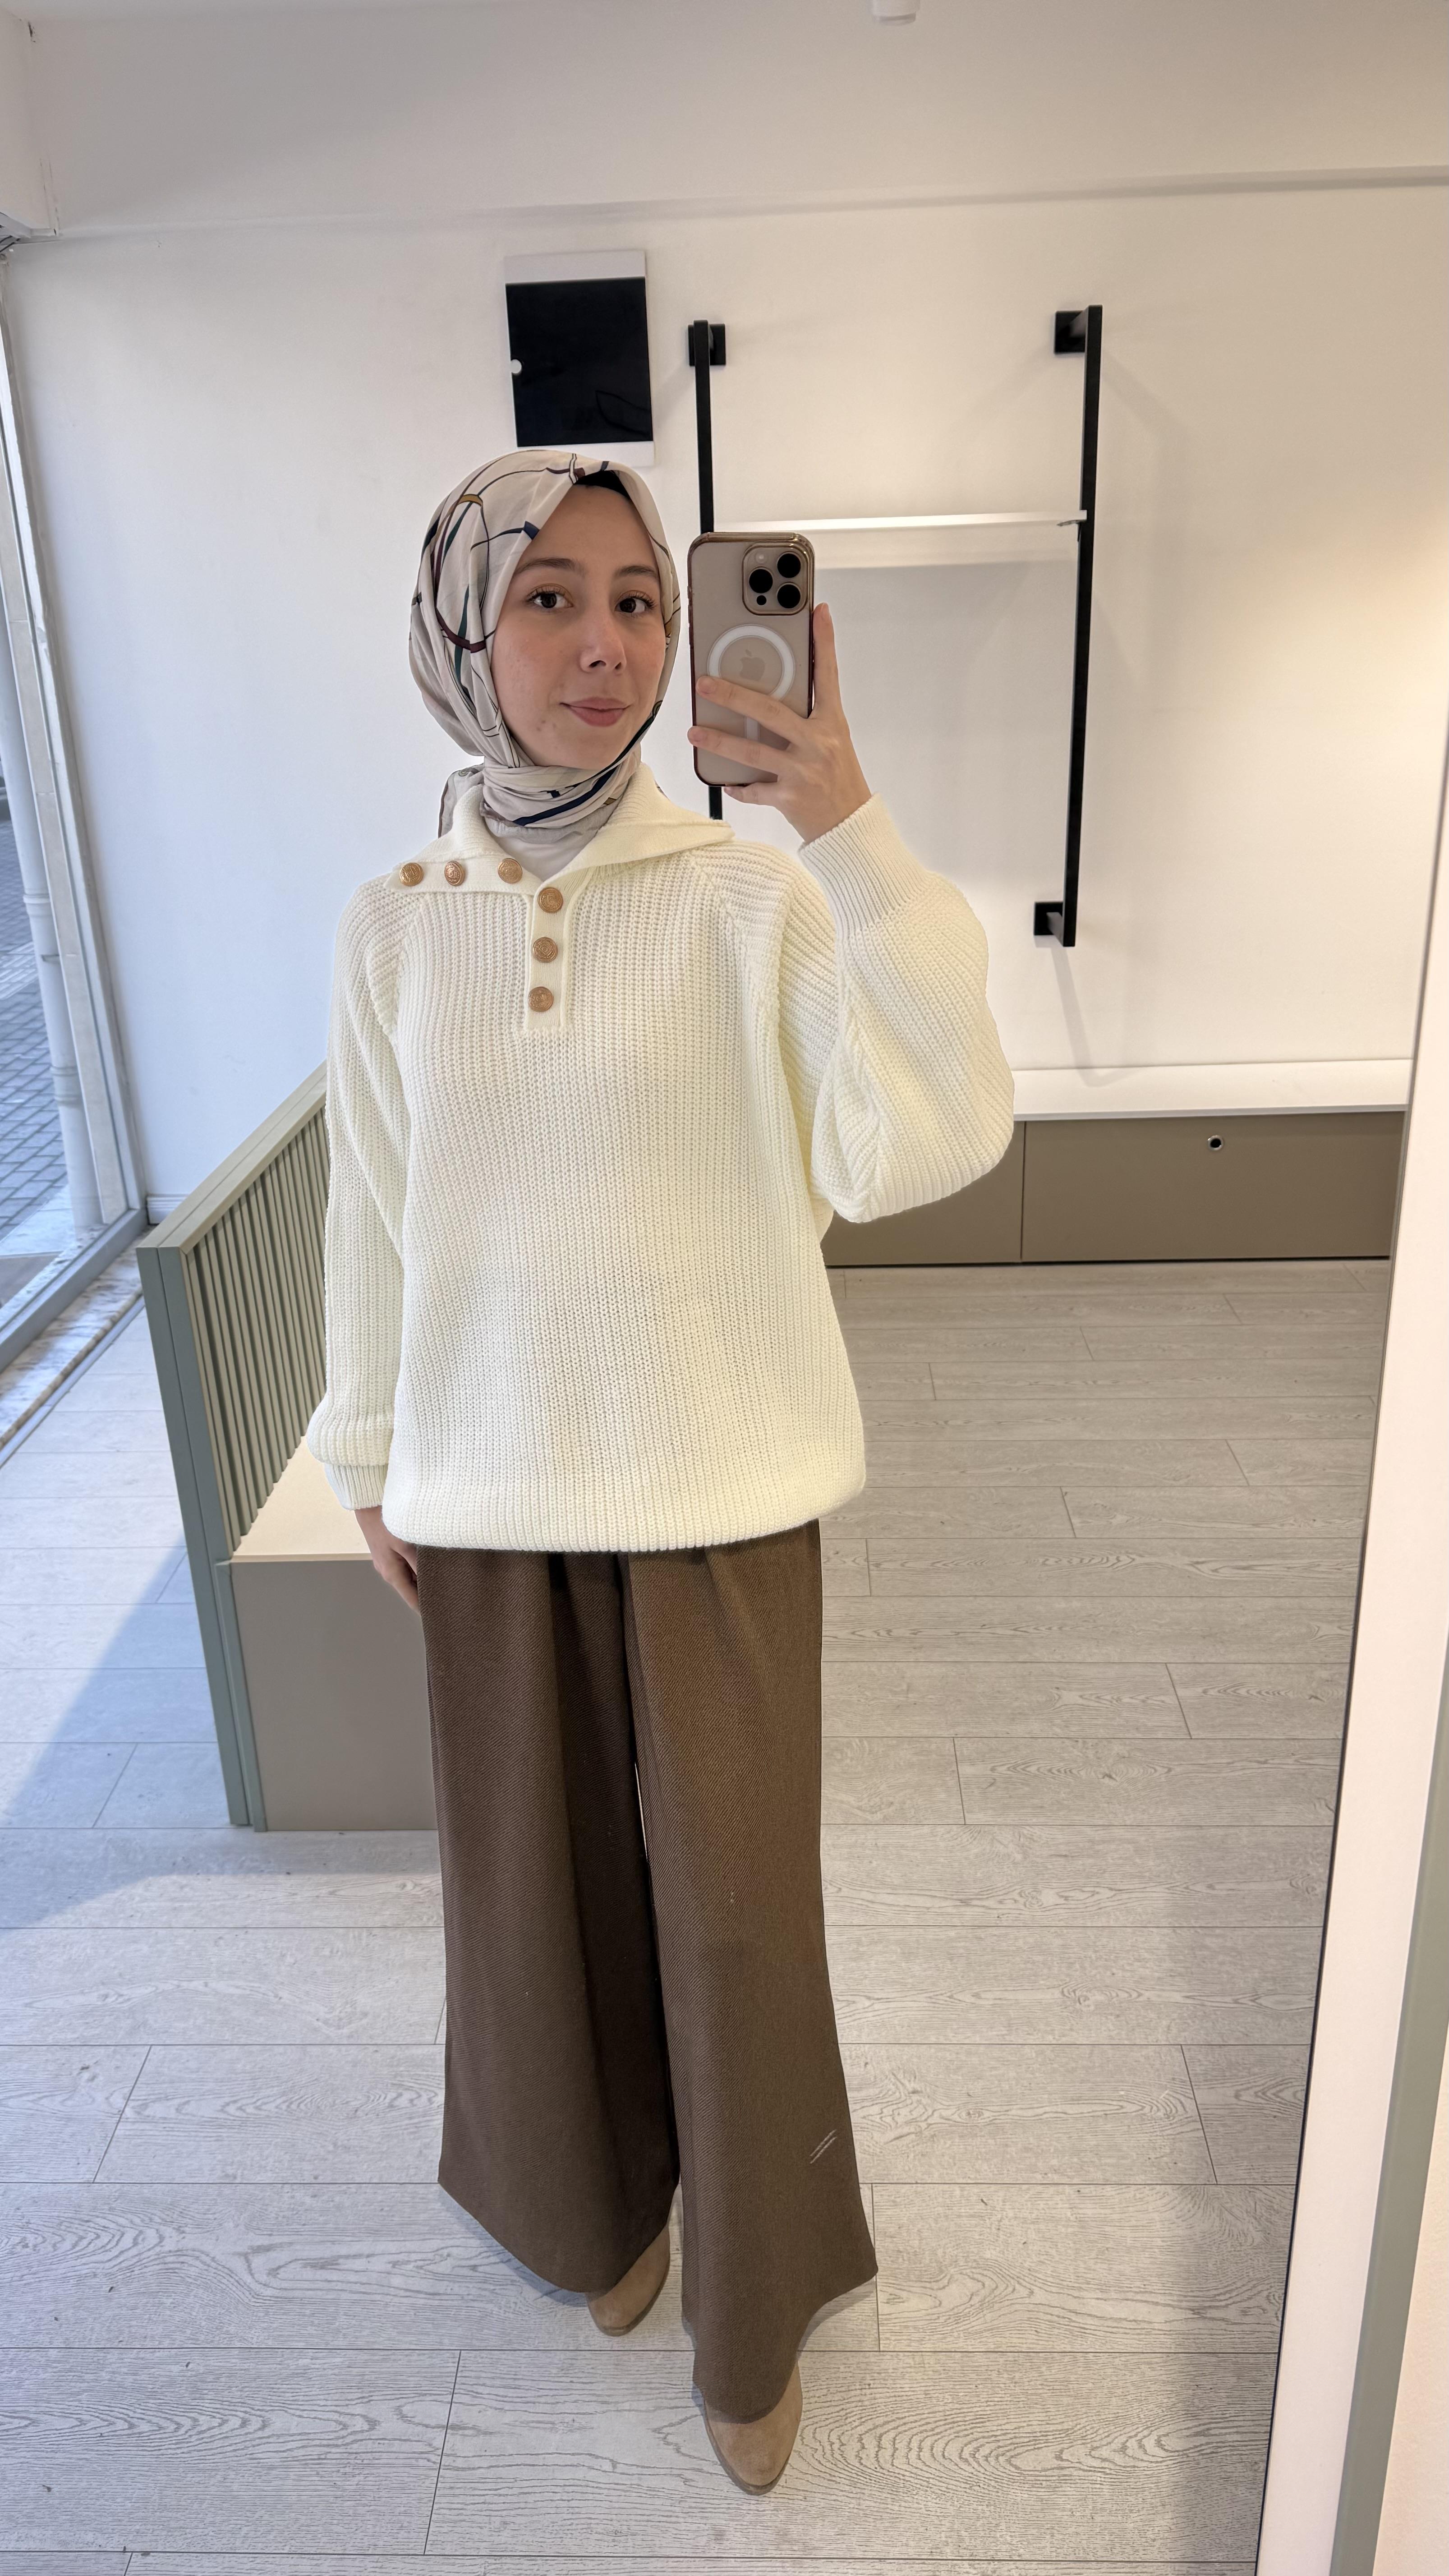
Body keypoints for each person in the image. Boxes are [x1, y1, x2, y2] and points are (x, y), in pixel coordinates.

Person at [305, 446, 1015, 2493]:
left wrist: (849, 828)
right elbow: (377, 1210)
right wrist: (372, 1450)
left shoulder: (750, 895)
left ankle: (753, 2309)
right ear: (464, 632)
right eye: (550, 597)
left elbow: (925, 1141)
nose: (606, 642)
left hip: (722, 1489)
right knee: (531, 1914)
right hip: (489, 1499)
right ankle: (591, 2213)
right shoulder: (393, 924)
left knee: (736, 1929)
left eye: (639, 598)